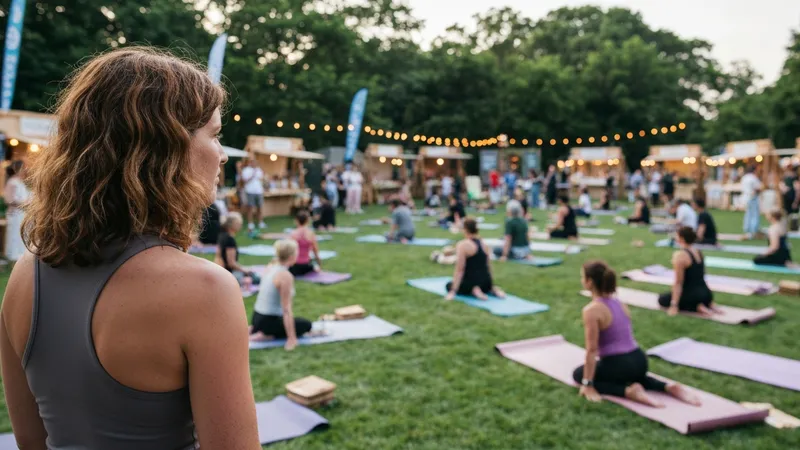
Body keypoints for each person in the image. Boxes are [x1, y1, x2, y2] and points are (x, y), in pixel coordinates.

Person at [0, 48, 260, 448]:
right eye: (215, 135)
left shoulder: (25, 275)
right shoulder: (205, 290)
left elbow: (30, 441)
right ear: (165, 148)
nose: (223, 155)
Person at [573, 260, 700, 407]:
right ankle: (667, 386)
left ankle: (628, 391)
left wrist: (587, 384)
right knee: (631, 376)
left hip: (618, 365)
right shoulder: (620, 303)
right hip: (639, 361)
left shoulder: (591, 310)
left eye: (582, 277)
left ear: (589, 282)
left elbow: (592, 349)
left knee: (578, 374)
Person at [249, 240, 315, 350]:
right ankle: (266, 335)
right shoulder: (285, 276)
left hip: (256, 317)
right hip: (268, 321)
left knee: (295, 321)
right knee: (306, 325)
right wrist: (292, 338)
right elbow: (286, 309)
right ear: (292, 256)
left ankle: (258, 330)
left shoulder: (271, 266)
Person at [657, 227, 716, 315]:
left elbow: (678, 282)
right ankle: (707, 304)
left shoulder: (680, 256)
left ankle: (696, 307)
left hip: (693, 297)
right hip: (707, 294)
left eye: (677, 236)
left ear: (682, 239)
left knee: (662, 299)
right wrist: (709, 300)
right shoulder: (698, 251)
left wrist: (674, 305)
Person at [445, 218, 505, 300]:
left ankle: (474, 289)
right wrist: (491, 285)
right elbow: (489, 266)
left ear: (465, 229)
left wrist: (453, 291)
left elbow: (460, 269)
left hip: (471, 282)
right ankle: (492, 289)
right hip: (485, 283)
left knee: (449, 285)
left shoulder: (462, 245)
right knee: (481, 281)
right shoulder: (484, 244)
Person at [216, 212, 261, 287]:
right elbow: (231, 263)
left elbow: (219, 256)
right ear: (232, 225)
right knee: (256, 279)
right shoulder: (230, 240)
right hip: (229, 274)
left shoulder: (222, 235)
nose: (240, 225)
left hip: (222, 271)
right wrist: (245, 270)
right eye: (239, 223)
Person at [3, 160, 29, 262]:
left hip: (22, 213)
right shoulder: (12, 182)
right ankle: (13, 256)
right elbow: (8, 199)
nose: (25, 170)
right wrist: (23, 203)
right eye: (24, 168)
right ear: (18, 169)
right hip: (15, 213)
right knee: (14, 235)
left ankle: (20, 256)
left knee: (21, 235)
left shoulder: (20, 182)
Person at [287, 211, 325, 276]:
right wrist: (319, 262)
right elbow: (315, 250)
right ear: (307, 221)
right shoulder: (310, 233)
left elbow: (288, 251)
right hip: (306, 266)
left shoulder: (293, 234)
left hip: (294, 267)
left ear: (296, 221)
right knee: (314, 266)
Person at [241, 157, 266, 231]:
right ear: (250, 163)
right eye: (253, 162)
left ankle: (260, 222)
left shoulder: (259, 170)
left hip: (259, 191)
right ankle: (250, 223)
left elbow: (262, 179)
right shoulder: (246, 170)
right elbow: (244, 180)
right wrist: (252, 175)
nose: (255, 164)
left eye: (256, 162)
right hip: (250, 191)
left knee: (260, 207)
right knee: (250, 208)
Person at [740, 165, 762, 239]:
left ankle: (747, 229)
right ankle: (753, 231)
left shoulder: (745, 177)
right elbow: (757, 188)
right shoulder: (753, 177)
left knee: (748, 214)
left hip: (746, 197)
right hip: (752, 197)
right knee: (754, 215)